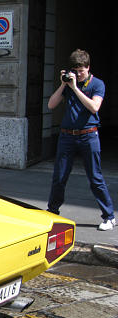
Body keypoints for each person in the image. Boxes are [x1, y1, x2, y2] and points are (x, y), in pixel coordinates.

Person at [47, 49, 115, 231]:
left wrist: (75, 88)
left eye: (81, 71)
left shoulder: (97, 84)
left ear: (88, 68)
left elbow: (94, 107)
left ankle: (109, 216)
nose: (78, 74)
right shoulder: (68, 84)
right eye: (75, 71)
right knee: (59, 177)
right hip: (67, 136)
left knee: (95, 177)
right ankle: (52, 212)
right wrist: (63, 85)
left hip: (89, 136)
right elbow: (51, 104)